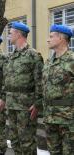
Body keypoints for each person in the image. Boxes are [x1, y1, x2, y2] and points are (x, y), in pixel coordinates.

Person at [2, 22, 44, 155]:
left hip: (26, 107)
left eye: (11, 32)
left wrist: (37, 104)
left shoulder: (34, 55)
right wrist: (4, 98)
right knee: (14, 140)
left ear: (19, 34)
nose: (9, 35)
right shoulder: (11, 56)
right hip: (12, 104)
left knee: (27, 141)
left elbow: (40, 82)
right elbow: (6, 80)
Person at [42, 24, 74, 155]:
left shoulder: (72, 60)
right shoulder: (49, 62)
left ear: (61, 38)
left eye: (51, 36)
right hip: (50, 117)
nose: (48, 40)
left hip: (68, 120)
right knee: (53, 152)